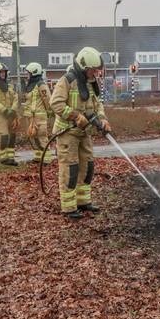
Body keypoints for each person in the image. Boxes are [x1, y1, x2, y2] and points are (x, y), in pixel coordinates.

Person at [50, 47, 112, 219]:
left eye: (97, 70)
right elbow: (55, 103)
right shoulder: (67, 80)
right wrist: (75, 115)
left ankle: (83, 202)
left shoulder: (90, 82)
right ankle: (69, 208)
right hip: (67, 133)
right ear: (84, 67)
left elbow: (97, 104)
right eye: (93, 70)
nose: (96, 73)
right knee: (71, 169)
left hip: (85, 133)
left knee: (87, 166)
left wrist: (103, 119)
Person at [22, 62, 54, 164]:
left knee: (41, 137)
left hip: (40, 117)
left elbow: (47, 99)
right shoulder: (30, 85)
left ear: (34, 73)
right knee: (33, 137)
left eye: (28, 73)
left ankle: (47, 159)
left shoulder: (41, 85)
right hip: (30, 117)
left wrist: (50, 112)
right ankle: (38, 157)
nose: (27, 75)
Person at [0, 63, 20, 165]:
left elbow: (15, 98)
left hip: (10, 115)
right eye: (1, 72)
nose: (3, 74)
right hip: (0, 116)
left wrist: (13, 109)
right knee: (3, 136)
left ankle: (10, 158)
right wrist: (4, 110)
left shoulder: (9, 85)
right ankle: (3, 159)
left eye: (4, 72)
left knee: (12, 136)